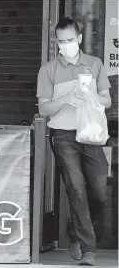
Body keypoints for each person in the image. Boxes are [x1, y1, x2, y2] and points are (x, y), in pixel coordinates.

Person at [37, 17, 111, 266]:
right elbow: (44, 109)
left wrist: (90, 98)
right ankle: (88, 249)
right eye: (61, 41)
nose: (66, 45)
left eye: (70, 40)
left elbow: (107, 101)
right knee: (76, 188)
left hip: (90, 134)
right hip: (64, 136)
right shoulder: (48, 70)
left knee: (100, 191)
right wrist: (67, 98)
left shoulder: (94, 64)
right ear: (56, 42)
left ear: (79, 39)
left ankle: (74, 228)